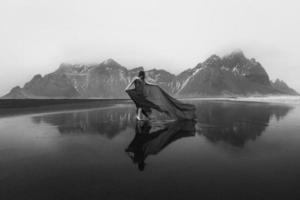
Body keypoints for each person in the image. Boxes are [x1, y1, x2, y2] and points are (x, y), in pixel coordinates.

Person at [125, 70, 196, 120]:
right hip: (137, 93)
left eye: (143, 75)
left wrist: (156, 85)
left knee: (142, 105)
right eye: (142, 75)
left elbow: (149, 84)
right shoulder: (135, 78)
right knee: (139, 105)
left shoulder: (143, 80)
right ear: (140, 75)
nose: (142, 76)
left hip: (142, 94)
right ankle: (139, 117)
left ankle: (142, 117)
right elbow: (131, 83)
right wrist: (126, 89)